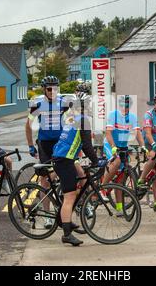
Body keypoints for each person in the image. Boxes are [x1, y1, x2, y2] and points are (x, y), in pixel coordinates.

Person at [52, 90, 103, 246]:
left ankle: (64, 219)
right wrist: (96, 161)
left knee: (79, 182)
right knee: (70, 196)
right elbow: (87, 146)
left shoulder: (72, 117)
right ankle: (66, 234)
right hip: (64, 160)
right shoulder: (84, 120)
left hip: (66, 157)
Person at [26, 75, 71, 228]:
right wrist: (30, 145)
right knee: (45, 180)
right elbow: (28, 125)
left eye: (55, 88)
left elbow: (72, 120)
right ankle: (47, 215)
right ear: (44, 89)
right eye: (49, 88)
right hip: (44, 143)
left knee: (66, 171)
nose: (52, 91)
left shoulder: (63, 102)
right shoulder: (37, 103)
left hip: (59, 142)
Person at [100, 95, 147, 215]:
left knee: (120, 180)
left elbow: (137, 133)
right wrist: (113, 147)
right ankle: (103, 189)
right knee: (116, 161)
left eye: (127, 105)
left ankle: (119, 208)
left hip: (123, 146)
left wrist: (143, 146)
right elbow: (108, 133)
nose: (124, 108)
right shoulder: (113, 115)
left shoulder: (132, 117)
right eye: (122, 105)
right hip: (111, 144)